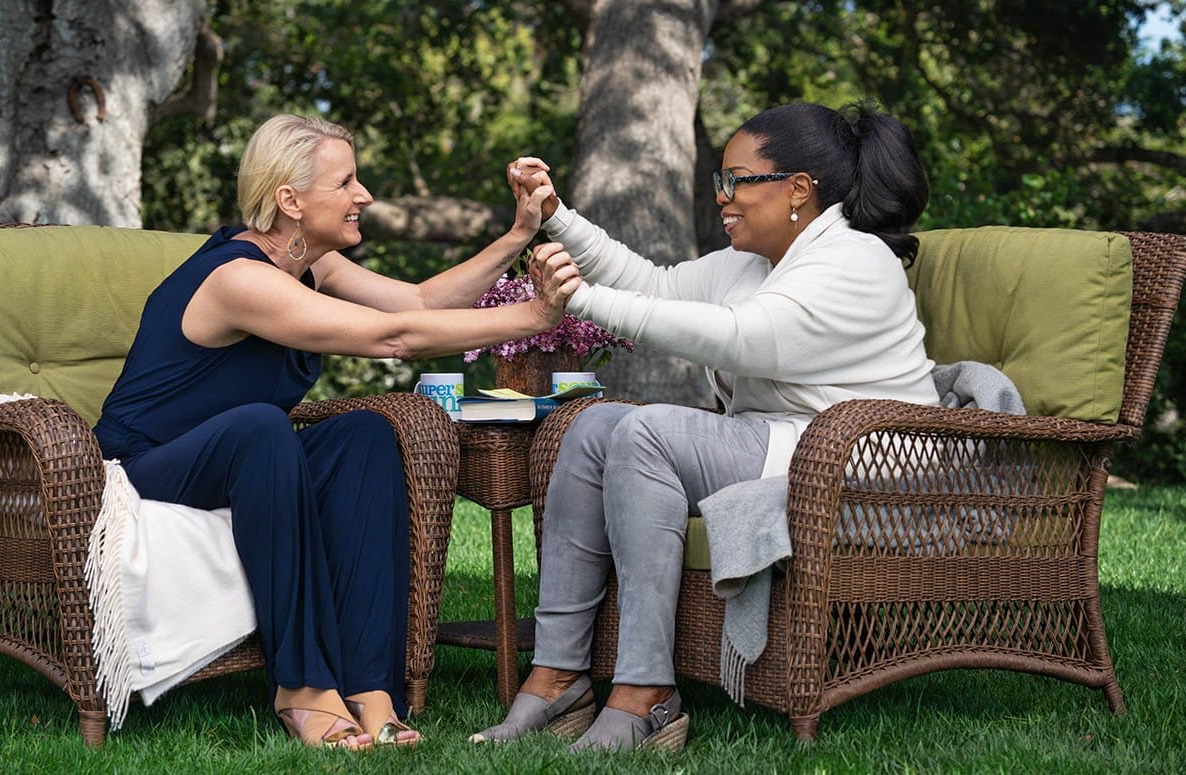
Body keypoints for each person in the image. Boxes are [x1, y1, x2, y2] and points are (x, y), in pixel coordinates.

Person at [93, 113, 579, 751]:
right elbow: (394, 338)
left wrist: (519, 233)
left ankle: (370, 686)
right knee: (261, 427)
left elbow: (420, 303)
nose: (364, 196)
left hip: (242, 457)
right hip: (139, 468)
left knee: (365, 437)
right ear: (290, 200)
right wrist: (535, 315)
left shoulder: (310, 266)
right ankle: (301, 686)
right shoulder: (237, 278)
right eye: (345, 182)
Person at [470, 101, 938, 752]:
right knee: (593, 426)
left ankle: (646, 696)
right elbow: (654, 285)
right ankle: (557, 679)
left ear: (798, 189)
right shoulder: (755, 260)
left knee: (648, 433)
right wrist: (557, 217)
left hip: (865, 466)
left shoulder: (856, 261)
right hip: (785, 444)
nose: (722, 196)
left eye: (736, 180)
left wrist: (576, 299)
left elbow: (740, 338)